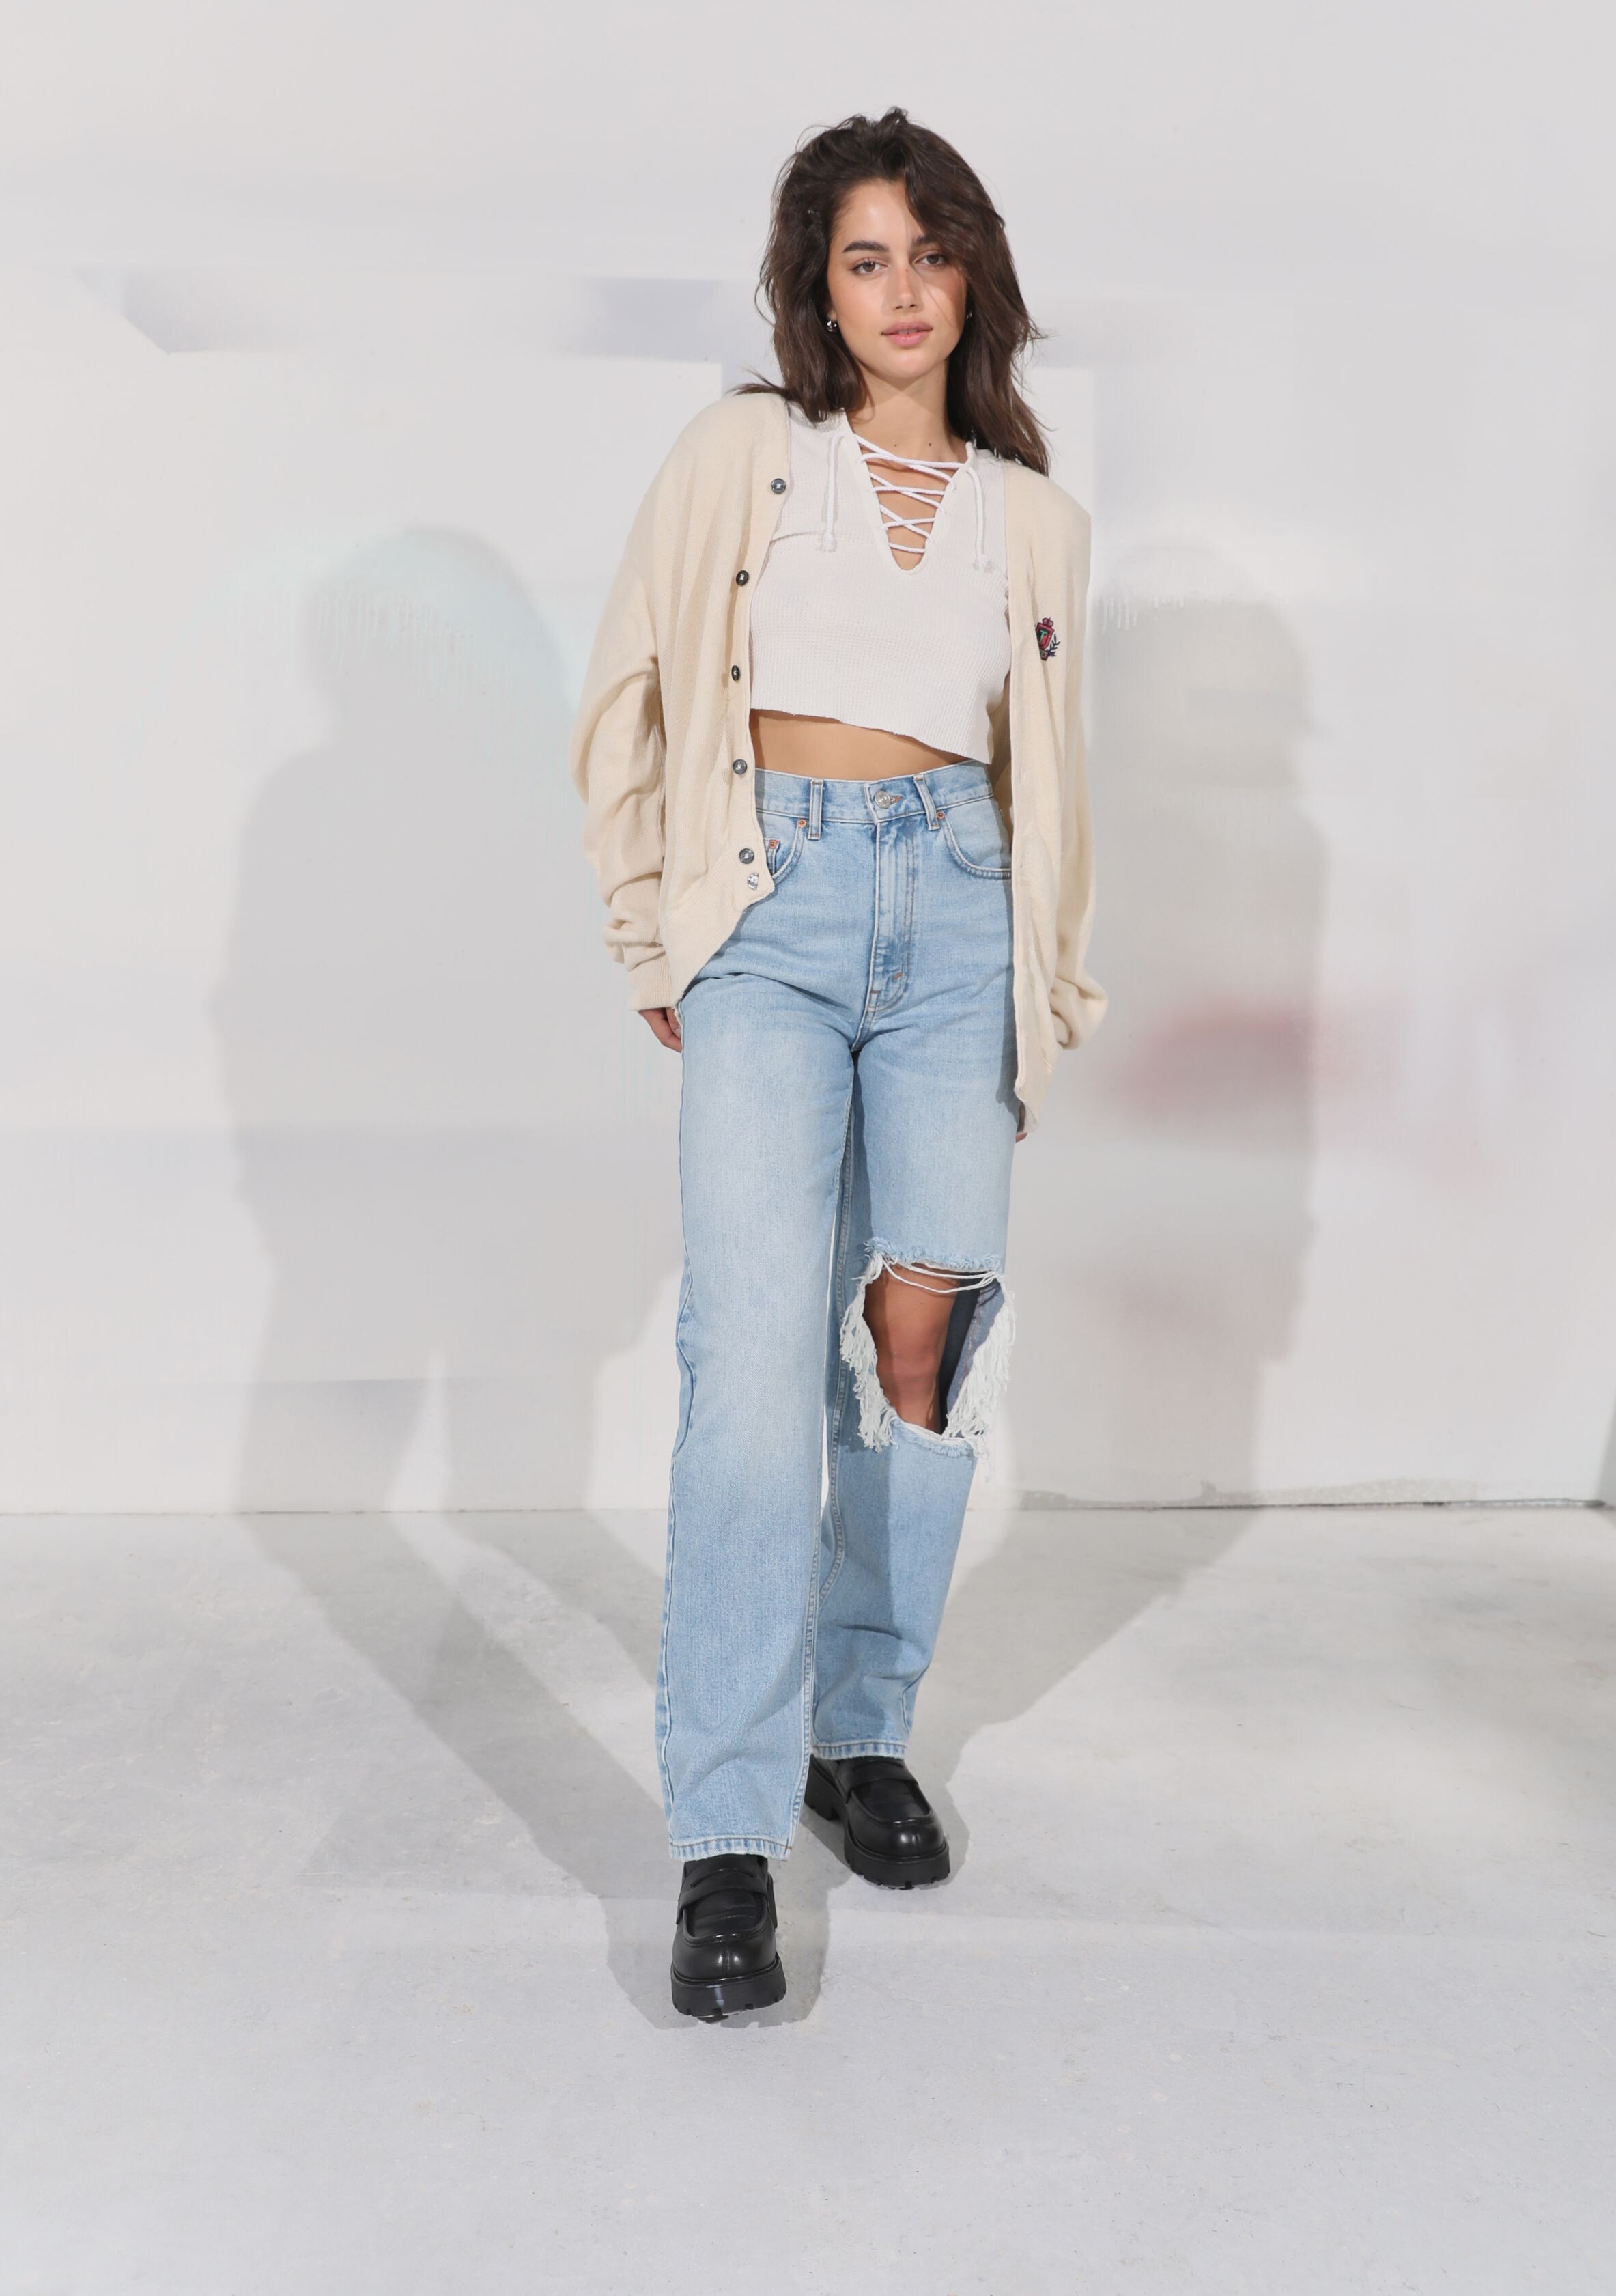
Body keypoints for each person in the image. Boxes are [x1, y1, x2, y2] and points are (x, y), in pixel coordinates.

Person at [570, 107, 1105, 2019]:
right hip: (771, 915)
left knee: (920, 1367)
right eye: (864, 258)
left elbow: (1053, 783)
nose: (900, 291)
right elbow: (633, 689)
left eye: (930, 254)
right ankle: (723, 1833)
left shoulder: (1034, 517)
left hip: (955, 930)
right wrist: (654, 927)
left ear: (975, 277)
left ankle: (854, 1729)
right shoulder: (744, 454)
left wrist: (1043, 986)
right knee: (743, 1378)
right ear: (819, 282)